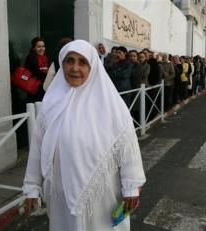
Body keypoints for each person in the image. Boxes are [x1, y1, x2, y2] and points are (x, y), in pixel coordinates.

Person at [23, 40, 146, 231]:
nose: (74, 68)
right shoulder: (51, 104)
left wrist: (131, 186)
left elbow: (128, 148)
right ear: (62, 64)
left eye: (82, 62)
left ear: (92, 66)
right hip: (61, 193)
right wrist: (32, 186)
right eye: (69, 61)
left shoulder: (111, 106)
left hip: (102, 197)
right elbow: (38, 148)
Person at [24, 36, 49, 102]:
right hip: (34, 90)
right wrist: (48, 75)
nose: (41, 49)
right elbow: (36, 73)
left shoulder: (44, 58)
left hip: (42, 89)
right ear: (33, 48)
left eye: (43, 46)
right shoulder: (31, 57)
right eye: (39, 47)